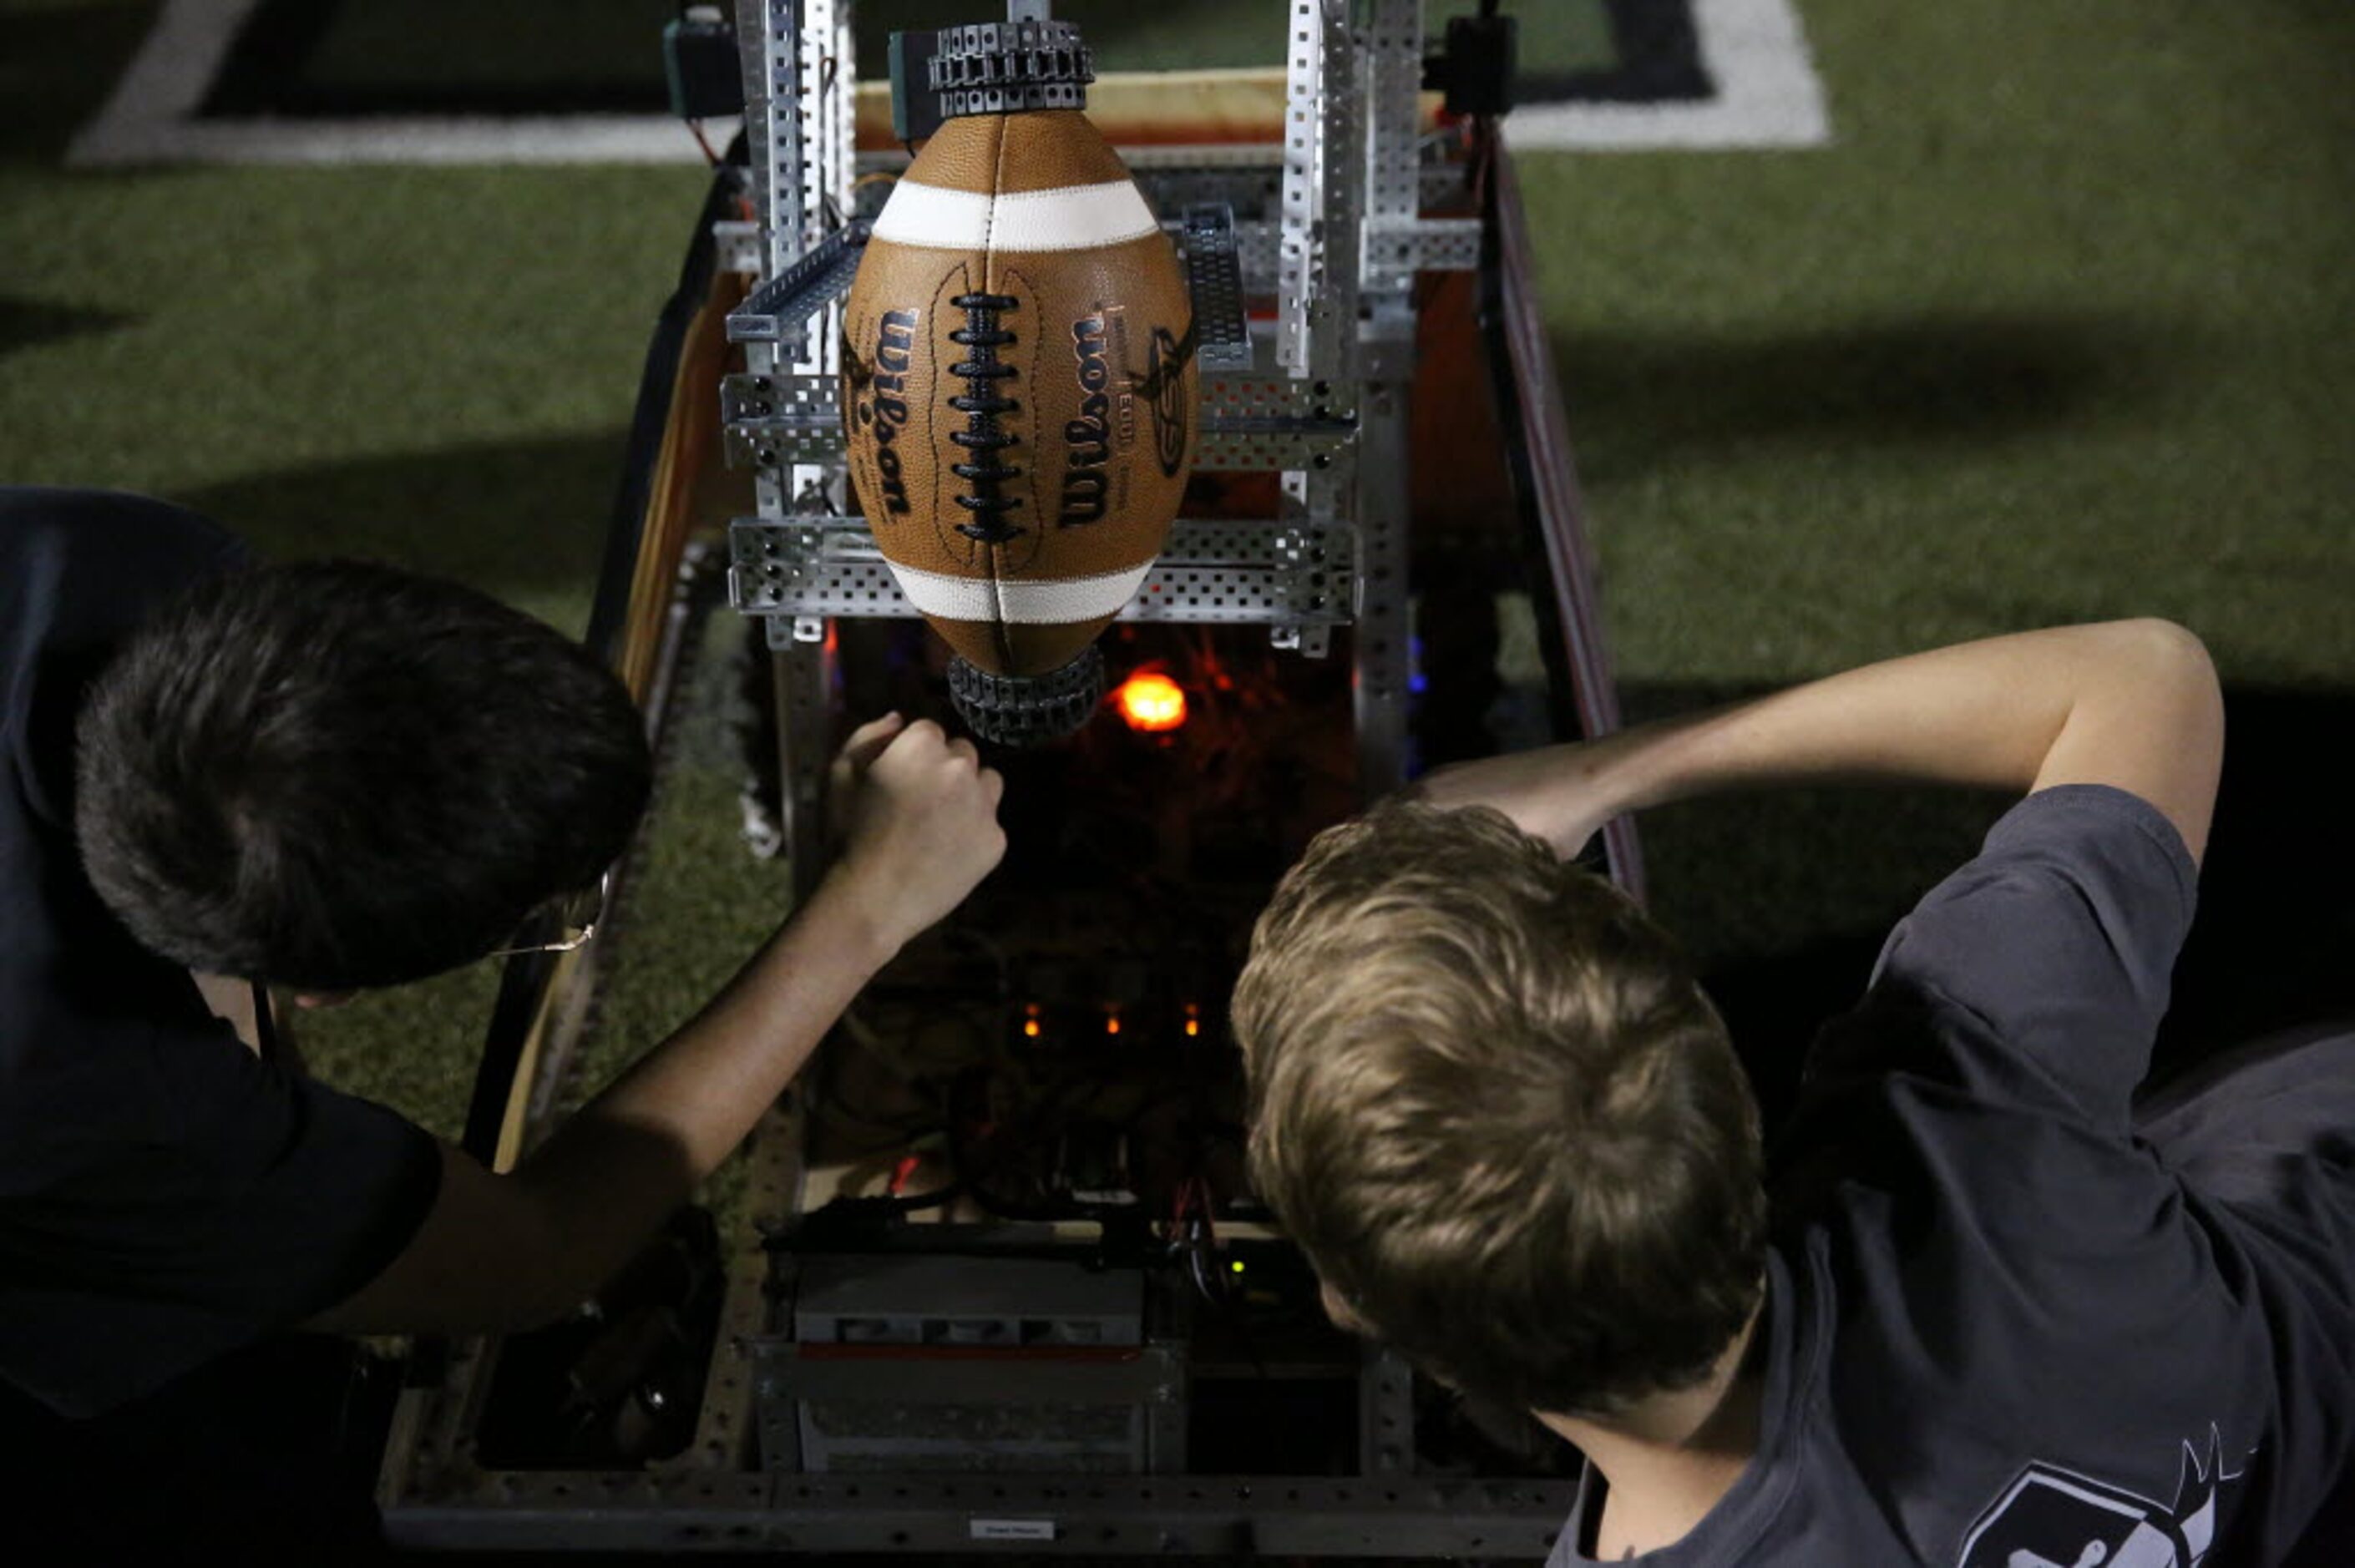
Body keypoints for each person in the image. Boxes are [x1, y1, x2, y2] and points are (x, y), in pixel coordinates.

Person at [1, 487, 1005, 1553]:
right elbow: (536, 1255)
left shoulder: (107, 560)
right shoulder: (108, 1108)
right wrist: (867, 908)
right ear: (321, 987)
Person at [1234, 620, 2355, 1565]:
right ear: (1726, 1099)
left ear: (1363, 1309)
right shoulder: (1973, 1133)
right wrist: (1600, 777)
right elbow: (2144, 677)